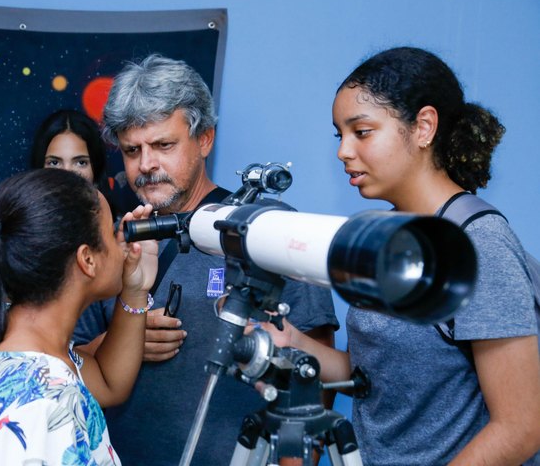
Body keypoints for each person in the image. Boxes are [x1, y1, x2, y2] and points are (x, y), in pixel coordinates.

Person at [264, 46, 540, 465]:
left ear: (424, 127)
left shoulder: (478, 244)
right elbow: (373, 376)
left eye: (362, 131)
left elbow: (522, 426)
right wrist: (294, 343)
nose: (343, 151)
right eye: (340, 135)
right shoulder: (384, 233)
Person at [73, 54, 339, 465]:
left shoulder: (268, 232)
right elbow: (65, 363)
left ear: (204, 139)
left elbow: (315, 373)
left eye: (163, 145)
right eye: (131, 150)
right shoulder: (112, 236)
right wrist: (121, 343)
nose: (146, 165)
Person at [0, 168, 157, 464]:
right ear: (87, 259)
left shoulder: (14, 344)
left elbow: (109, 383)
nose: (122, 247)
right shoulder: (41, 402)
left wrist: (134, 290)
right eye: (110, 232)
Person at [30, 109, 120, 218]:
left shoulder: (118, 229)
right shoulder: (19, 230)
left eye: (81, 163)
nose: (67, 173)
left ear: (95, 170)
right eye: (54, 163)